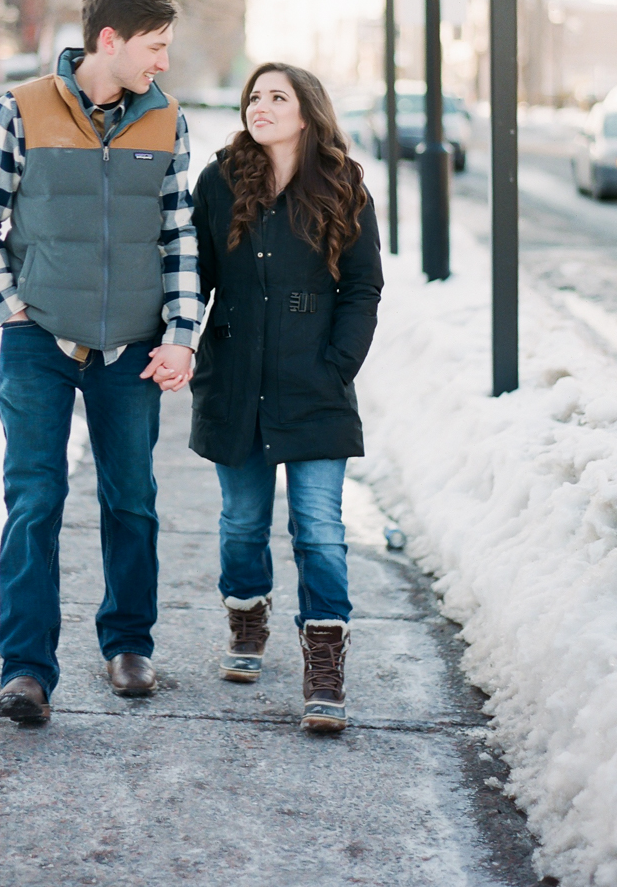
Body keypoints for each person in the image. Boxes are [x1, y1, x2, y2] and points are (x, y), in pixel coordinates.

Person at [0, 0, 202, 726]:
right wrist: (12, 312)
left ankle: (128, 645)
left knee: (131, 500)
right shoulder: (21, 108)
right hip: (40, 345)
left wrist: (180, 333)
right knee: (34, 501)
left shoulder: (167, 122)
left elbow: (177, 235)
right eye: (154, 46)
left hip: (129, 347)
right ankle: (26, 668)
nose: (162, 62)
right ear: (110, 40)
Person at [189, 62, 383, 732]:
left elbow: (362, 287)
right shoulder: (217, 184)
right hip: (235, 383)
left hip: (314, 386)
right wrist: (179, 341)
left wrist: (338, 362)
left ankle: (323, 664)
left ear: (307, 113)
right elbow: (194, 279)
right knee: (242, 522)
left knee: (318, 529)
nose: (260, 105)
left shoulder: (343, 187)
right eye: (253, 96)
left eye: (277, 96)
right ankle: (246, 622)